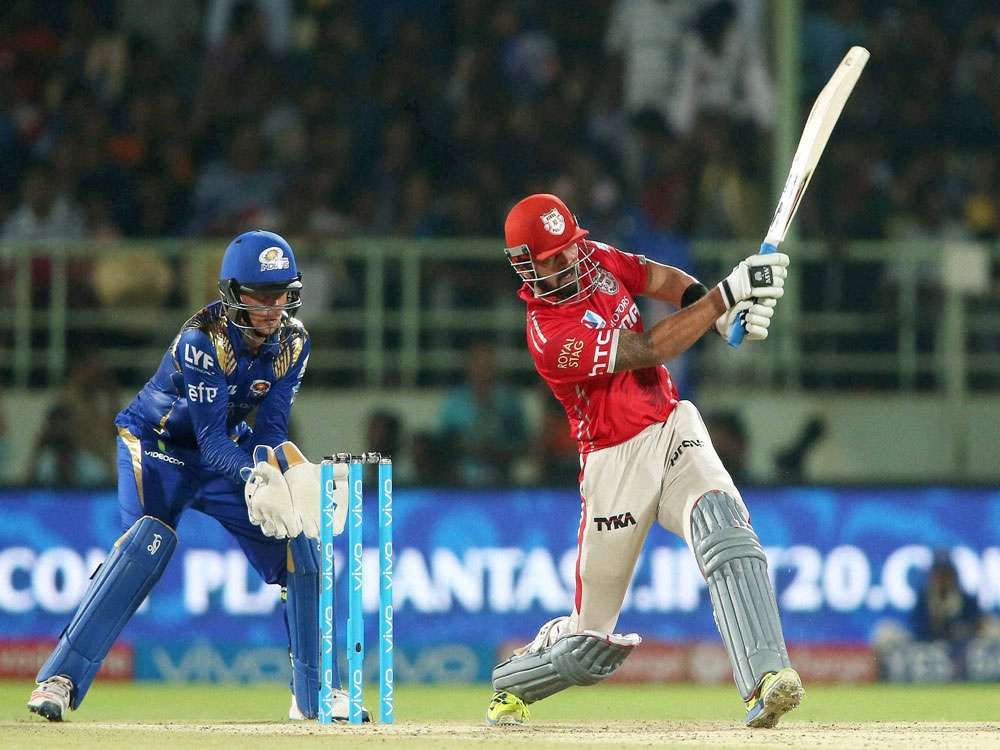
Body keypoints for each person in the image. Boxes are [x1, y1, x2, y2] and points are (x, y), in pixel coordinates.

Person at [486, 194, 800, 729]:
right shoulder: (548, 335)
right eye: (552, 258)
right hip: (613, 462)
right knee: (589, 648)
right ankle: (513, 682)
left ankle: (766, 681)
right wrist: (725, 298)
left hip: (671, 425)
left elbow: (661, 280)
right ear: (524, 264)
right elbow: (648, 349)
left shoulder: (596, 260)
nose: (568, 263)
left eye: (570, 248)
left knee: (724, 529)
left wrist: (712, 310)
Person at [27, 230, 359, 722]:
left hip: (226, 449)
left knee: (300, 545)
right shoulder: (204, 339)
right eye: (260, 295)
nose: (272, 308)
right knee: (145, 545)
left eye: (282, 294)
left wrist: (293, 471)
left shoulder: (295, 341)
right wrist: (256, 475)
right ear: (232, 292)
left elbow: (268, 428)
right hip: (157, 446)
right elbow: (209, 441)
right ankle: (60, 680)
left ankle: (317, 697)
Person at [911, 549, 983, 643]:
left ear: (954, 576)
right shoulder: (923, 600)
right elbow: (918, 629)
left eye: (946, 574)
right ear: (931, 577)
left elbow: (975, 626)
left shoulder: (967, 600)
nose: (942, 580)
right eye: (938, 575)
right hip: (931, 647)